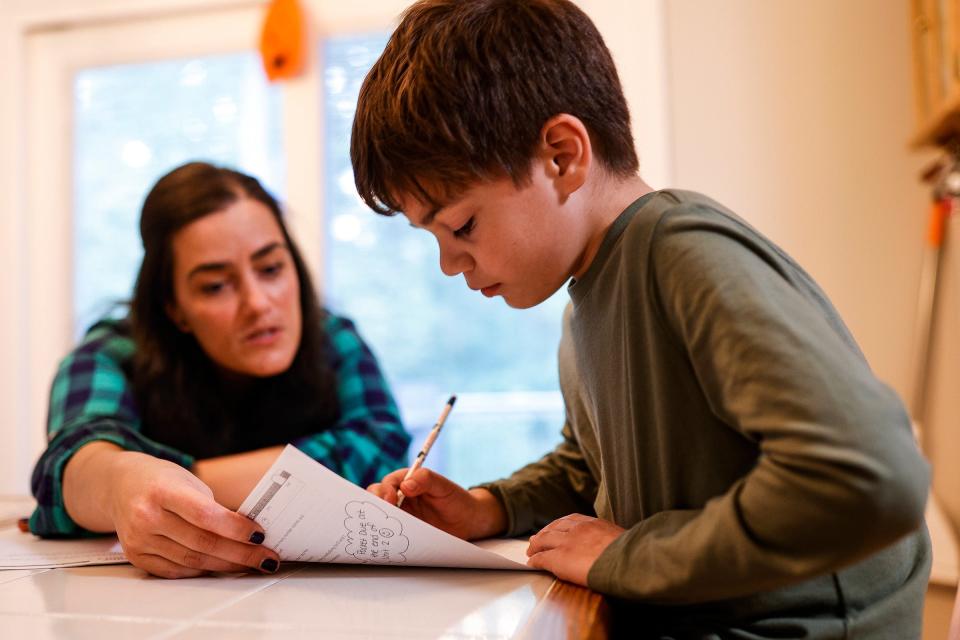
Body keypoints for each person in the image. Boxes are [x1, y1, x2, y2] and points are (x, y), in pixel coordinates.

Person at [354, 1, 931, 637]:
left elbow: (869, 476)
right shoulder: (585, 304)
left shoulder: (682, 252)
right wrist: (487, 509)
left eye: (461, 224)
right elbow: (591, 470)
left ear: (562, 157)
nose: (448, 263)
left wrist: (627, 556)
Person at [29, 162, 411, 579]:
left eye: (271, 269)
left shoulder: (332, 339)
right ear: (173, 307)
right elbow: (71, 464)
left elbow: (381, 450)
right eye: (215, 286)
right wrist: (121, 483)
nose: (259, 303)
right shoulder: (113, 353)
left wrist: (183, 482)